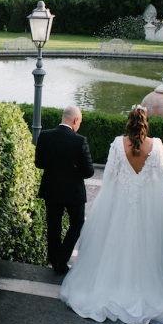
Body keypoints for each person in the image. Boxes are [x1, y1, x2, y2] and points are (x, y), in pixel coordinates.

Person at [59, 105, 163, 324]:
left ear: (128, 122)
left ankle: (111, 286)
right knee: (147, 249)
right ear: (145, 123)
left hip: (121, 205)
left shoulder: (117, 144)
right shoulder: (157, 146)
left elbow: (110, 178)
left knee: (114, 247)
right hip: (147, 210)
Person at [34, 105, 95, 274]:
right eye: (79, 122)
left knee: (53, 225)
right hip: (73, 192)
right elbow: (89, 171)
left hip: (51, 189)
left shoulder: (45, 136)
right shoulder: (79, 141)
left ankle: (54, 260)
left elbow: (39, 163)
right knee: (77, 224)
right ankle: (62, 259)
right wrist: (74, 169)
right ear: (75, 120)